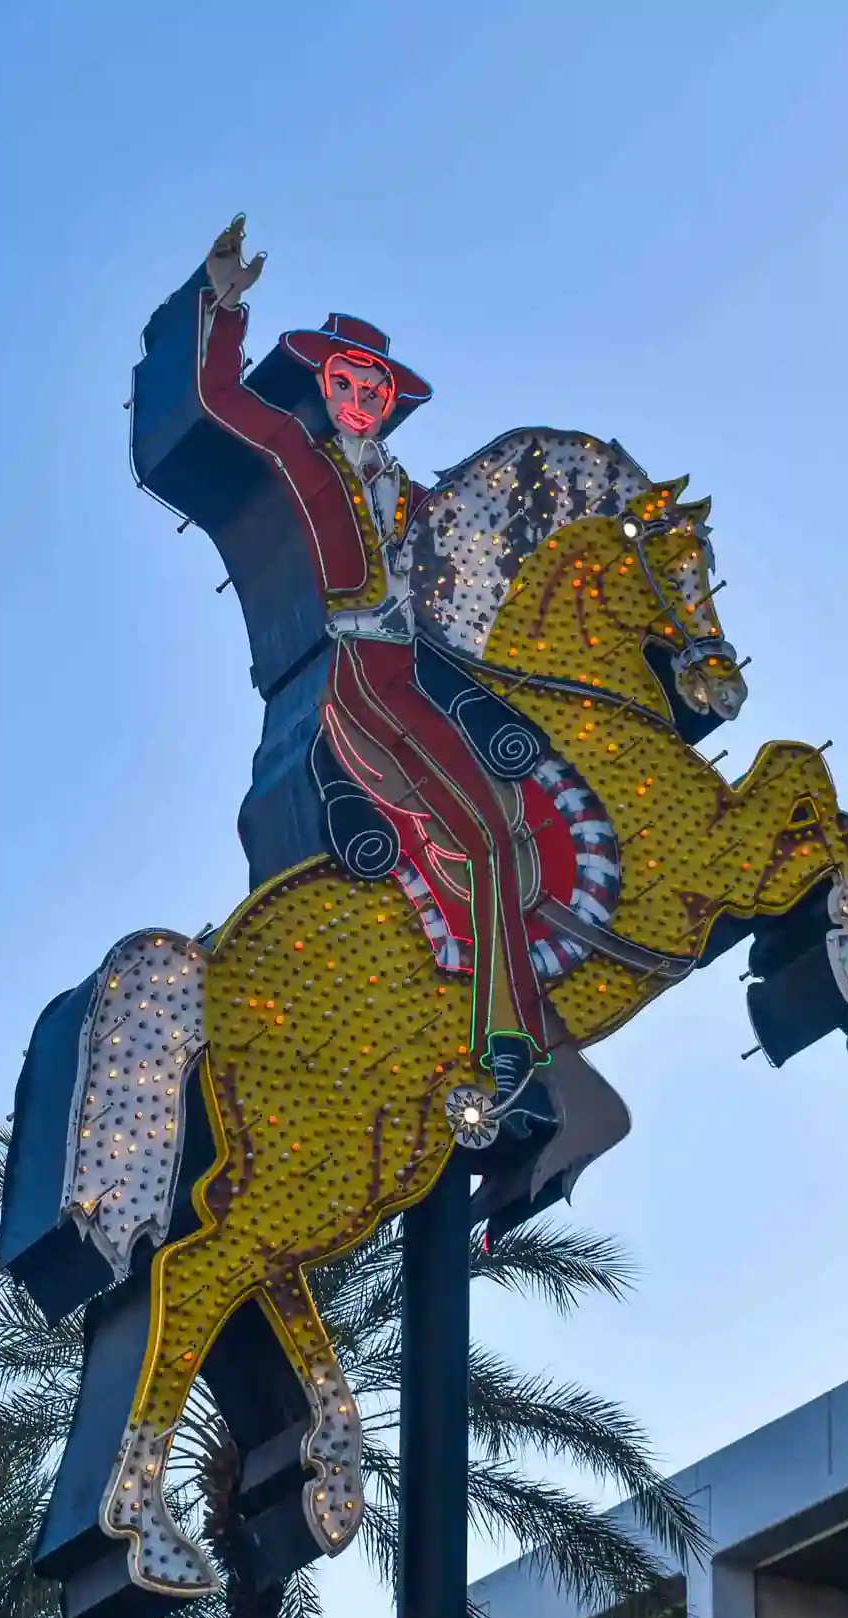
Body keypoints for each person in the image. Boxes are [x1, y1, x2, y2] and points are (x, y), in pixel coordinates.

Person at [196, 216, 554, 1130]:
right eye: (346, 384)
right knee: (485, 837)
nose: (359, 399)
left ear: (390, 403)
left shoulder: (406, 489)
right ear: (325, 385)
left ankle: (492, 990)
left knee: (501, 821)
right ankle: (505, 1044)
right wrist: (221, 305)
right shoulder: (305, 460)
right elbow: (221, 401)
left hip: (415, 665)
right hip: (363, 673)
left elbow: (471, 549)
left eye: (374, 390)